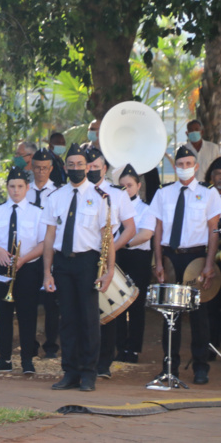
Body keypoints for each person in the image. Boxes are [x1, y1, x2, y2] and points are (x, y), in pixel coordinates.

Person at [42, 143, 116, 392]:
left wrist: (109, 271)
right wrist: (47, 272)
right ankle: (70, 372)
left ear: (87, 167)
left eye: (80, 164)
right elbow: (50, 237)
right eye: (71, 164)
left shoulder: (100, 197)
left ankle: (88, 373)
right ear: (65, 167)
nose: (75, 168)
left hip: (88, 263)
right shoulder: (55, 197)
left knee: (88, 319)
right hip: (63, 262)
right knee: (67, 319)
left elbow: (107, 238)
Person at [150, 146, 221, 385]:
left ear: (196, 166)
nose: (184, 168)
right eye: (180, 164)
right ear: (175, 166)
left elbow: (213, 231)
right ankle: (170, 366)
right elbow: (158, 230)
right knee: (170, 315)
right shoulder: (163, 193)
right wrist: (158, 261)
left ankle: (201, 367)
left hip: (196, 258)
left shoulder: (208, 194)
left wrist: (209, 264)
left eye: (188, 164)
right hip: (171, 257)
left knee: (199, 315)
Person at [0, 166, 45, 374]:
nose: (16, 190)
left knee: (27, 313)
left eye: (19, 186)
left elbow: (43, 244)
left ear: (27, 188)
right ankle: (5, 359)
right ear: (7, 188)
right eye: (12, 186)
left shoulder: (37, 213)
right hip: (2, 267)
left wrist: (23, 259)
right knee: (3, 313)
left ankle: (27, 359)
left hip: (28, 268)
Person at [85, 148, 136, 379]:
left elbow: (130, 228)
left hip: (107, 257)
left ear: (104, 169)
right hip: (82, 256)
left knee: (108, 307)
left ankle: (104, 363)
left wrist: (110, 251)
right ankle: (85, 360)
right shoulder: (76, 192)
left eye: (96, 167)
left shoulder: (117, 194)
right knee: (83, 310)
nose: (91, 170)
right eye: (88, 167)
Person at [113, 164, 155, 364]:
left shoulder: (146, 209)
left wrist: (122, 244)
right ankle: (120, 346)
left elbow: (146, 234)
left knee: (136, 305)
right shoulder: (114, 208)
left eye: (129, 185)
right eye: (122, 186)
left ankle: (133, 348)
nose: (126, 189)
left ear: (138, 186)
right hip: (118, 257)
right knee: (118, 301)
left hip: (138, 258)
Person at [27, 148, 60, 358]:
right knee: (29, 300)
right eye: (38, 168)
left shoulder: (58, 192)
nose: (41, 172)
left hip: (51, 252)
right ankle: (30, 345)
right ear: (32, 167)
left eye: (45, 168)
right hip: (30, 252)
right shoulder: (24, 190)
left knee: (51, 302)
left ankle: (51, 346)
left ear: (51, 169)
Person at [205, 157, 221, 360]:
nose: (220, 178)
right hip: (210, 261)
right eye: (217, 174)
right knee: (211, 306)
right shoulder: (205, 198)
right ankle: (210, 346)